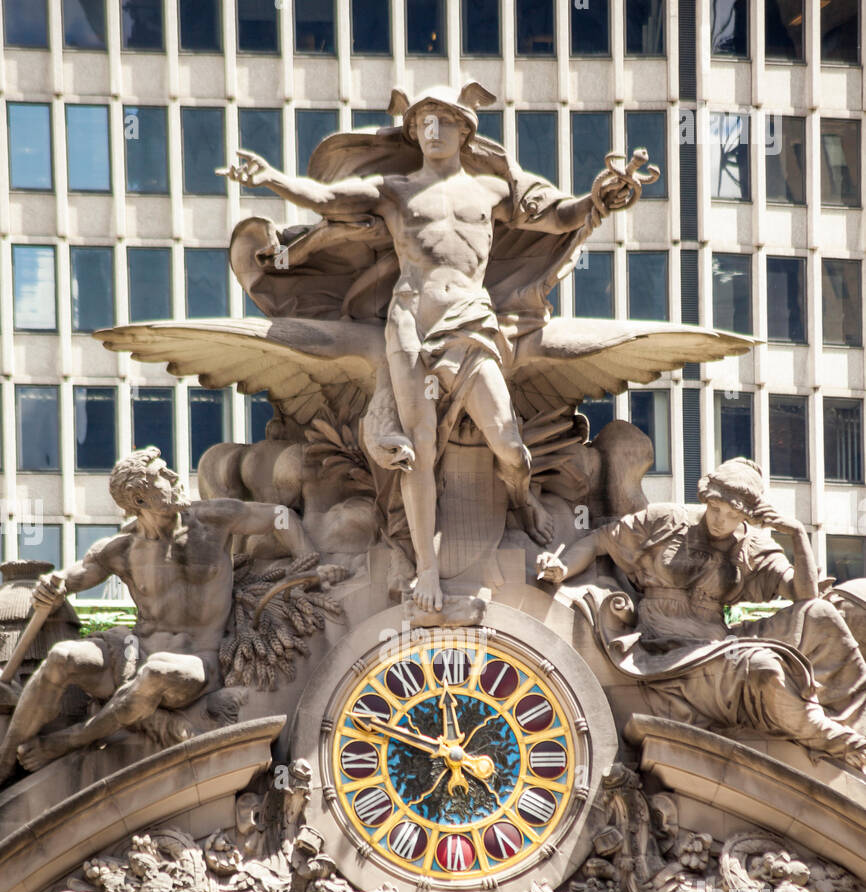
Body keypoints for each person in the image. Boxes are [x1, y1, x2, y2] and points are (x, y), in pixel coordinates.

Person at [218, 86, 642, 613]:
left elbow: (558, 217)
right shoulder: (393, 189)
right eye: (423, 123)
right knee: (415, 451)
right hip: (410, 322)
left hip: (471, 321)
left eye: (444, 122)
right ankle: (424, 571)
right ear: (413, 131)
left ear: (466, 131)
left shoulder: (491, 189)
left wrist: (599, 197)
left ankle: (521, 495)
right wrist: (273, 179)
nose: (432, 132)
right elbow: (329, 201)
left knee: (509, 443)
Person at [0, 447, 319, 784]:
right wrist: (52, 586)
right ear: (139, 500)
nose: (175, 478)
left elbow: (280, 516)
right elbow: (72, 578)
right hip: (130, 653)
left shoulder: (213, 520)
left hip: (196, 662)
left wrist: (311, 561)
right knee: (62, 656)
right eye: (162, 476)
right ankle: (6, 764)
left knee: (155, 673)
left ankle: (70, 740)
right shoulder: (121, 550)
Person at [536, 456, 866, 770]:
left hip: (719, 638)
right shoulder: (666, 520)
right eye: (715, 508)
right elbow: (599, 542)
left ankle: (851, 718)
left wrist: (796, 534)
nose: (719, 519)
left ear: (747, 517)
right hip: (669, 641)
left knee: (820, 613)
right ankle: (826, 734)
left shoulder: (753, 548)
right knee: (766, 669)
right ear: (707, 498)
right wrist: (561, 566)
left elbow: (804, 597)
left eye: (730, 515)